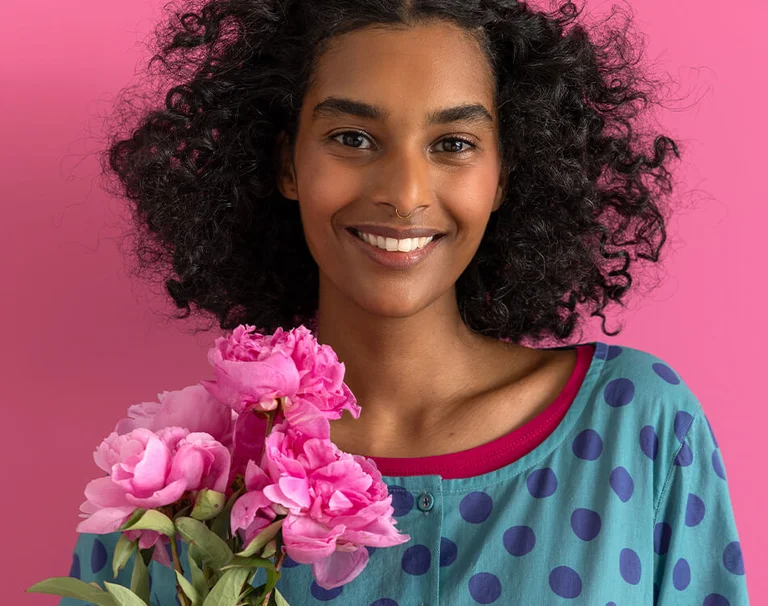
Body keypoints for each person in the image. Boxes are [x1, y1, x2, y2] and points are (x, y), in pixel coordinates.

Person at [62, 0, 749, 604]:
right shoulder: (173, 485)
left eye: (453, 143)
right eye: (353, 138)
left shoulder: (638, 425)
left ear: (505, 174)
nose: (406, 190)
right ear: (287, 164)